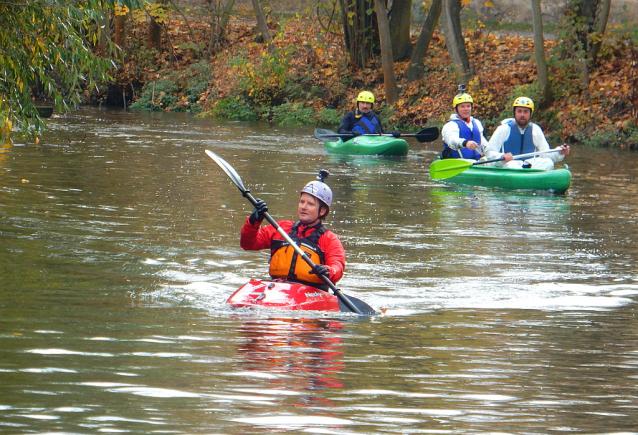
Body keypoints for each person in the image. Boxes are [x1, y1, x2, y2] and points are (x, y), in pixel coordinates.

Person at [240, 171, 345, 289]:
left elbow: (337, 267)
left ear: (322, 211)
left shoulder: (329, 239)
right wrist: (254, 221)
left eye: (310, 204)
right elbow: (248, 244)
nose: (303, 207)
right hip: (278, 287)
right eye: (302, 202)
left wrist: (327, 271)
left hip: (311, 292)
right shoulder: (281, 228)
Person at [485, 97, 570, 170]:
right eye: (519, 111)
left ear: (530, 114)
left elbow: (545, 154)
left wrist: (559, 152)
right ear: (515, 113)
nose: (522, 115)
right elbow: (489, 151)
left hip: (528, 165)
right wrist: (501, 156)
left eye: (525, 111)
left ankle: (532, 178)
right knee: (512, 165)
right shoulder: (504, 128)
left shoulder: (535, 129)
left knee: (548, 162)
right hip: (509, 165)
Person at [441, 87, 488, 160]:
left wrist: (492, 151)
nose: (466, 109)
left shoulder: (477, 123)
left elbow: (483, 142)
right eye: (462, 106)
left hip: (478, 162)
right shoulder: (450, 125)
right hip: (457, 163)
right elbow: (452, 141)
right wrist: (465, 143)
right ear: (456, 109)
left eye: (468, 106)